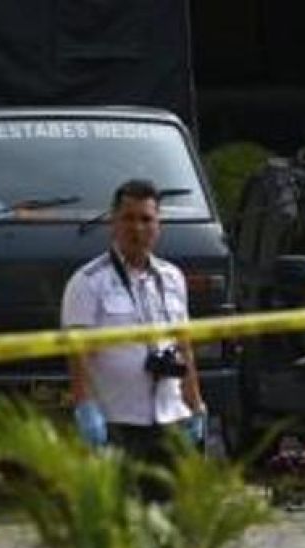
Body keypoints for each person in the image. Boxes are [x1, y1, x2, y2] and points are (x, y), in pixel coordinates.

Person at [60, 179, 207, 468]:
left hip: (169, 416)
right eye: (128, 218)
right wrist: (85, 406)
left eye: (146, 219)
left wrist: (196, 404)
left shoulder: (173, 278)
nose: (137, 228)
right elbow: (78, 354)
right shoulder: (88, 281)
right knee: (121, 511)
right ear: (113, 223)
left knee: (167, 511)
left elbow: (183, 346)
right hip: (118, 421)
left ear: (158, 225)